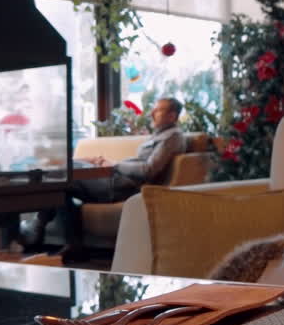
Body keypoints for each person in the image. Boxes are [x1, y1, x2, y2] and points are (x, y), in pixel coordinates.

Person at [21, 97, 186, 250]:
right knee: (65, 174)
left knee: (64, 178)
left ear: (172, 116)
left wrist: (114, 165)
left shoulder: (172, 137)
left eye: (158, 110)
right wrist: (97, 160)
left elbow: (148, 170)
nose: (151, 113)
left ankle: (40, 229)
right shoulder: (160, 135)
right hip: (117, 179)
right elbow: (139, 162)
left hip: (121, 186)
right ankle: (72, 244)